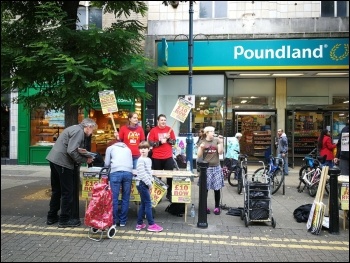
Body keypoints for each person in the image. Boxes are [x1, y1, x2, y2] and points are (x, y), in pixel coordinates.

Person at [46, 118, 96, 227]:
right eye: (92, 129)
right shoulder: (79, 132)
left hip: (54, 160)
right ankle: (64, 220)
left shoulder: (73, 128)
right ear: (88, 127)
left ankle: (52, 217)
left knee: (57, 190)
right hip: (64, 163)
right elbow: (71, 150)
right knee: (67, 192)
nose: (92, 132)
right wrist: (85, 159)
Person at [135, 141, 163, 232]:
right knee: (148, 204)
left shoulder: (148, 159)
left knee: (143, 204)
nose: (143, 150)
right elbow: (142, 174)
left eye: (145, 148)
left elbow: (148, 172)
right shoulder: (140, 160)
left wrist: (150, 177)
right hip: (143, 184)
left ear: (149, 149)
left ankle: (139, 224)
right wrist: (150, 184)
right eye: (141, 148)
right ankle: (151, 224)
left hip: (144, 184)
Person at [104, 140, 133, 227]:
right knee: (125, 198)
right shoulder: (128, 149)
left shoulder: (110, 148)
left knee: (114, 198)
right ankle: (123, 221)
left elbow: (106, 163)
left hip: (115, 173)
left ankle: (113, 221)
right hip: (128, 173)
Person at [147, 114, 176, 200]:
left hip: (168, 157)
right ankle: (157, 196)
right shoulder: (153, 130)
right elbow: (150, 143)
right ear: (158, 121)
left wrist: (168, 139)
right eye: (161, 120)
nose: (163, 121)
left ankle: (169, 193)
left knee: (170, 177)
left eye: (164, 120)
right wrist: (160, 142)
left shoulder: (169, 129)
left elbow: (174, 142)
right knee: (157, 178)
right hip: (156, 157)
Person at [197, 126, 224, 215]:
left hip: (216, 167)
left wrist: (221, 143)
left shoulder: (216, 140)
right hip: (206, 169)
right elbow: (199, 155)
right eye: (211, 131)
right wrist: (201, 148)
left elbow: (220, 152)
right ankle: (204, 206)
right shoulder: (202, 141)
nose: (213, 133)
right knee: (205, 189)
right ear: (207, 133)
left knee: (217, 188)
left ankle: (217, 207)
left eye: (213, 131)